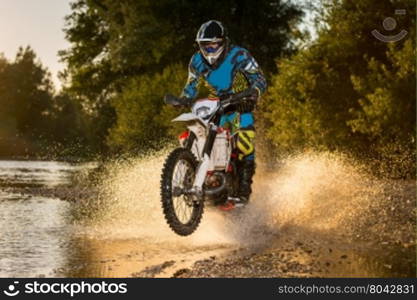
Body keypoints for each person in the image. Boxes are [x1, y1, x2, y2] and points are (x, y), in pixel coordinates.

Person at [177, 20, 267, 205]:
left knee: (245, 140)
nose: (209, 50)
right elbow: (191, 85)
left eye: (213, 45)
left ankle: (243, 192)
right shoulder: (196, 61)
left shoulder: (239, 55)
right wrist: (184, 98)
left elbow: (260, 78)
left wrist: (253, 92)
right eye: (205, 46)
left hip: (240, 104)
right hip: (215, 104)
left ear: (223, 42)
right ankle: (194, 177)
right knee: (197, 132)